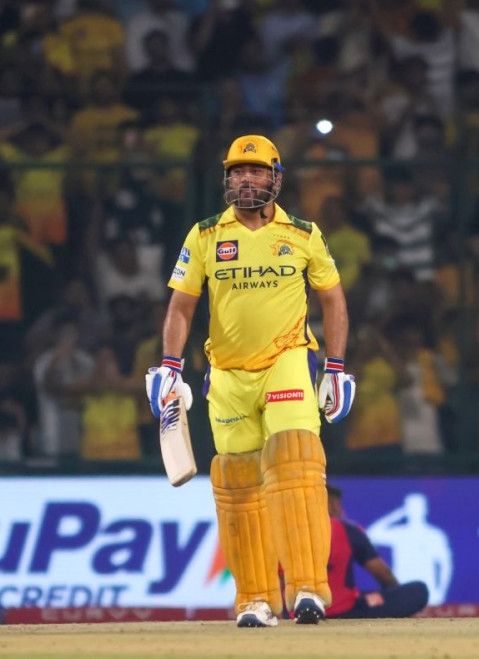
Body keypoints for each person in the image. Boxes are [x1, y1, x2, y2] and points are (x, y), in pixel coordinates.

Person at [145, 135, 355, 628]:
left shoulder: (303, 234)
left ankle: (308, 588)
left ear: (276, 179)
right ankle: (255, 599)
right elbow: (181, 305)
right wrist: (169, 366)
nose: (244, 179)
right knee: (237, 483)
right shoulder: (205, 235)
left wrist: (337, 366)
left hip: (287, 360)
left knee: (295, 461)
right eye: (236, 171)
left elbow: (334, 300)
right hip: (228, 375)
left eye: (255, 171)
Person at [326, 485, 429, 619]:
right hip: (343, 611)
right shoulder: (346, 530)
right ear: (333, 505)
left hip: (296, 611)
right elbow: (384, 574)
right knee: (419, 590)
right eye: (339, 506)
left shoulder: (291, 530)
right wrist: (397, 598)